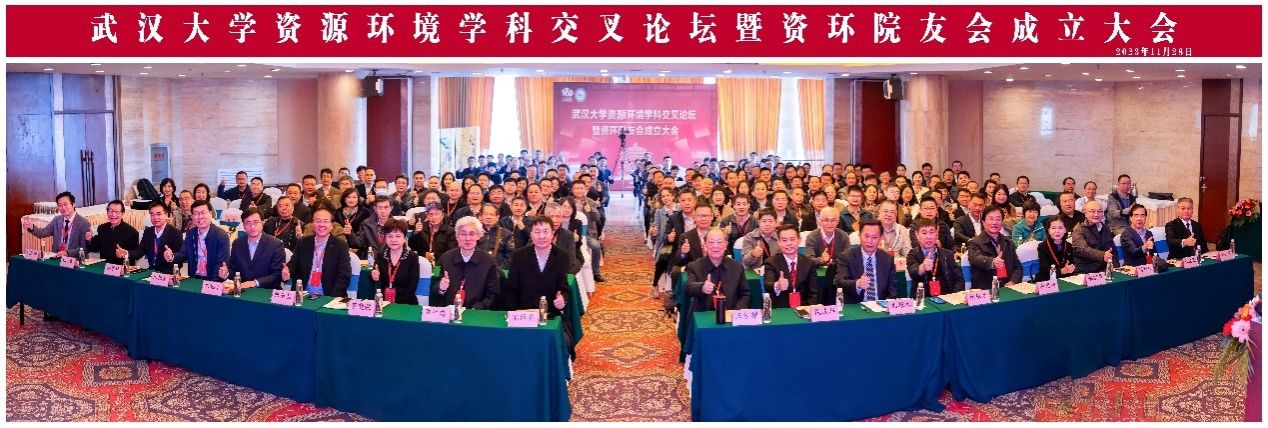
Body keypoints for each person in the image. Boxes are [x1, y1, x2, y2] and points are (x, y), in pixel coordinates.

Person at [503, 216, 571, 322]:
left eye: (545, 232)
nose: (541, 236)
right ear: (531, 234)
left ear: (552, 234)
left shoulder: (562, 256)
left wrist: (562, 298)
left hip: (550, 315)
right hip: (523, 315)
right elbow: (511, 288)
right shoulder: (519, 255)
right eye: (537, 232)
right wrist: (514, 314)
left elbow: (563, 287)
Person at [431, 216, 501, 309]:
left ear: (479, 235)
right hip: (450, 310)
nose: (467, 238)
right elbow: (436, 290)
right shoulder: (447, 257)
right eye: (463, 234)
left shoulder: (488, 261)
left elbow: (492, 295)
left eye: (472, 234)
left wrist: (475, 309)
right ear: (457, 236)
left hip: (476, 312)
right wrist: (441, 288)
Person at [287, 205, 352, 297]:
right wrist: (287, 271)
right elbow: (293, 264)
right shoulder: (303, 243)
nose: (321, 224)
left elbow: (344, 276)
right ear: (312, 224)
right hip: (303, 296)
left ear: (331, 225)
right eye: (317, 221)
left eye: (325, 221)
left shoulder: (340, 246)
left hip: (329, 296)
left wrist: (330, 299)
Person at [219, 208, 285, 291]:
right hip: (242, 291)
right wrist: (226, 273)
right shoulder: (237, 244)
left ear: (263, 222)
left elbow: (277, 275)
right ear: (243, 225)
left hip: (266, 291)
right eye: (248, 223)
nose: (252, 227)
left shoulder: (276, 244)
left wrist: (255, 282)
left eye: (256, 222)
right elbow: (235, 271)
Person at [833, 220, 898, 303]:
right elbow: (840, 282)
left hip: (880, 306)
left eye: (874, 237)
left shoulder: (887, 259)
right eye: (866, 236)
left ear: (881, 238)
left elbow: (892, 290)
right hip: (856, 306)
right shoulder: (846, 257)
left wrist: (887, 305)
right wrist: (857, 284)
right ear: (859, 236)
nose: (869, 241)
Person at [686, 227, 749, 311]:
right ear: (704, 245)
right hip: (705, 314)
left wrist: (735, 312)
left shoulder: (737, 267)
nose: (715, 246)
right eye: (711, 242)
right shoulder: (694, 266)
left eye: (719, 242)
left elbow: (745, 295)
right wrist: (702, 288)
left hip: (731, 314)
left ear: (726, 245)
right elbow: (689, 287)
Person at [170, 200, 230, 281]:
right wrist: (172, 256)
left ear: (210, 214)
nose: (200, 217)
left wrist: (209, 284)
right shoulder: (190, 233)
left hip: (213, 280)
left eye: (203, 212)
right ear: (192, 216)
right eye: (196, 214)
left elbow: (221, 264)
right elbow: (182, 254)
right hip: (194, 279)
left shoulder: (221, 236)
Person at [967, 205, 1023, 289]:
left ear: (1002, 222)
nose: (994, 222)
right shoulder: (974, 242)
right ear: (983, 222)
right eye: (991, 219)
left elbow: (1017, 267)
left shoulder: (1008, 242)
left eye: (998, 219)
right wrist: (992, 262)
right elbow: (975, 259)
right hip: (986, 289)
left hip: (1007, 288)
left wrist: (1013, 281)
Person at [906, 217, 964, 296]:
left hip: (947, 297)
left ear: (936, 234)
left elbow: (959, 279)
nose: (928, 237)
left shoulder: (947, 254)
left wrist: (954, 295)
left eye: (931, 232)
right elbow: (913, 273)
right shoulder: (913, 254)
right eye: (924, 233)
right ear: (917, 235)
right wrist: (922, 267)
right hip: (924, 298)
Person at [23, 191, 92, 257]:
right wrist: (31, 227)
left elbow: (85, 248)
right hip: (57, 258)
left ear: (73, 204)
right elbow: (43, 233)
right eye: (60, 205)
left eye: (65, 204)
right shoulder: (56, 220)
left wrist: (67, 253)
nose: (63, 208)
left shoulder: (83, 223)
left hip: (74, 260)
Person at [762, 225, 815, 308]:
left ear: (799, 240)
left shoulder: (808, 262)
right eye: (784, 240)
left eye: (792, 239)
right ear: (778, 242)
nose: (789, 243)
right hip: (781, 309)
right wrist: (777, 285)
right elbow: (767, 285)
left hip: (804, 308)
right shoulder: (771, 262)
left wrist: (811, 309)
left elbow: (813, 293)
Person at [804, 206, 849, 304]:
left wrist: (833, 263)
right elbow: (807, 261)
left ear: (838, 222)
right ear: (819, 221)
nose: (829, 223)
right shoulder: (812, 237)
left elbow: (848, 259)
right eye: (826, 220)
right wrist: (820, 259)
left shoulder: (843, 236)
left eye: (833, 220)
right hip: (817, 276)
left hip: (837, 273)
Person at [129, 201, 184, 274]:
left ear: (166, 215)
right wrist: (126, 253)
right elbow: (139, 252)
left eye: (159, 214)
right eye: (152, 214)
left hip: (168, 275)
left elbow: (180, 260)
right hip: (151, 273)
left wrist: (171, 257)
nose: (155, 217)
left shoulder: (176, 233)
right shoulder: (148, 232)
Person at [83, 200, 140, 266]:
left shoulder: (131, 232)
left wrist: (126, 253)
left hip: (122, 267)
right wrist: (89, 239)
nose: (113, 215)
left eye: (116, 212)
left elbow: (135, 254)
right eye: (110, 211)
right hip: (104, 266)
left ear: (122, 213)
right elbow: (94, 248)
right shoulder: (102, 228)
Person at [1071, 200, 1117, 273]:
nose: (1096, 214)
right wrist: (1102, 255)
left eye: (1099, 211)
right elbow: (1082, 250)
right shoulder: (1079, 229)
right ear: (1085, 214)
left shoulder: (1106, 228)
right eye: (1092, 211)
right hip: (1086, 271)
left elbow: (1113, 250)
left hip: (1105, 269)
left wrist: (1115, 267)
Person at [349, 195, 394, 259]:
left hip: (389, 259)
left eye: (386, 207)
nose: (383, 211)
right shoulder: (367, 224)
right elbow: (358, 244)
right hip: (370, 259)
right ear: (375, 209)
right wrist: (350, 234)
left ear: (391, 208)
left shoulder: (396, 226)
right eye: (380, 208)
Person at [475, 203, 516, 270]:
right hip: (476, 269)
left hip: (498, 271)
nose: (488, 217)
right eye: (485, 214)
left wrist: (499, 269)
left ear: (497, 217)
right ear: (480, 216)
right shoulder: (474, 232)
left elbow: (510, 255)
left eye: (492, 214)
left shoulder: (506, 233)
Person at [1035, 217, 1077, 282]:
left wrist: (1072, 268)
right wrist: (1061, 271)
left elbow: (1073, 264)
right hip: (1047, 280)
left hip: (1066, 279)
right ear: (1048, 230)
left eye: (1060, 228)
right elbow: (1045, 269)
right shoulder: (1042, 246)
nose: (1057, 231)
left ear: (1065, 230)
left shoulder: (1069, 245)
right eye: (1053, 228)